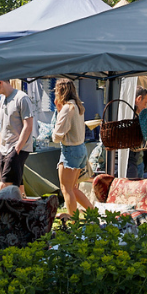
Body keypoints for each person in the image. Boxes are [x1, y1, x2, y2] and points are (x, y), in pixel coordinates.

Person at [52, 79, 93, 215]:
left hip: (70, 150)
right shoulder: (77, 106)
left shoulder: (67, 108)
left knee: (66, 189)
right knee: (73, 188)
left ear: (60, 92)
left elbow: (57, 135)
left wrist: (58, 111)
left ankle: (73, 222)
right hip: (80, 149)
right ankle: (92, 213)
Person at [0, 79, 33, 188]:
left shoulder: (22, 98)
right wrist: (0, 148)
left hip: (17, 148)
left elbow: (28, 126)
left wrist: (16, 149)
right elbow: (3, 126)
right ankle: (22, 204)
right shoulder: (1, 99)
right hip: (3, 149)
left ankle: (7, 205)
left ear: (0, 82)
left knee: (4, 185)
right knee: (17, 185)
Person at [126, 86, 147, 179]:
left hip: (138, 161)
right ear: (138, 99)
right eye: (145, 103)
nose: (145, 106)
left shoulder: (137, 116)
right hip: (130, 163)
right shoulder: (130, 118)